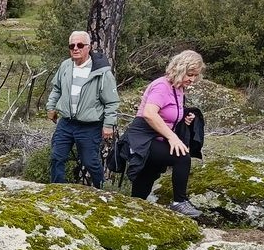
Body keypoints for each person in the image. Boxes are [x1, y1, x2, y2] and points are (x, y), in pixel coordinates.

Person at [122, 50, 206, 218]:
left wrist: (184, 117)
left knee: (147, 175)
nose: (192, 79)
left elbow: (167, 113)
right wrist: (172, 137)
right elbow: (149, 114)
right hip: (143, 138)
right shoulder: (162, 86)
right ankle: (179, 202)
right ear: (180, 69)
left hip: (156, 137)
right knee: (182, 157)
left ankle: (134, 209)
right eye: (190, 74)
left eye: (195, 75)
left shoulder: (179, 88)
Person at [46, 30, 119, 189]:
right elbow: (56, 88)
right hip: (66, 123)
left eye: (80, 45)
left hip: (90, 126)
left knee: (90, 161)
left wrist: (108, 125)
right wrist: (51, 107)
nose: (75, 48)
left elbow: (112, 102)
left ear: (89, 47)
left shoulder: (102, 72)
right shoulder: (66, 66)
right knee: (57, 157)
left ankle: (102, 191)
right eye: (72, 45)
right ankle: (57, 190)